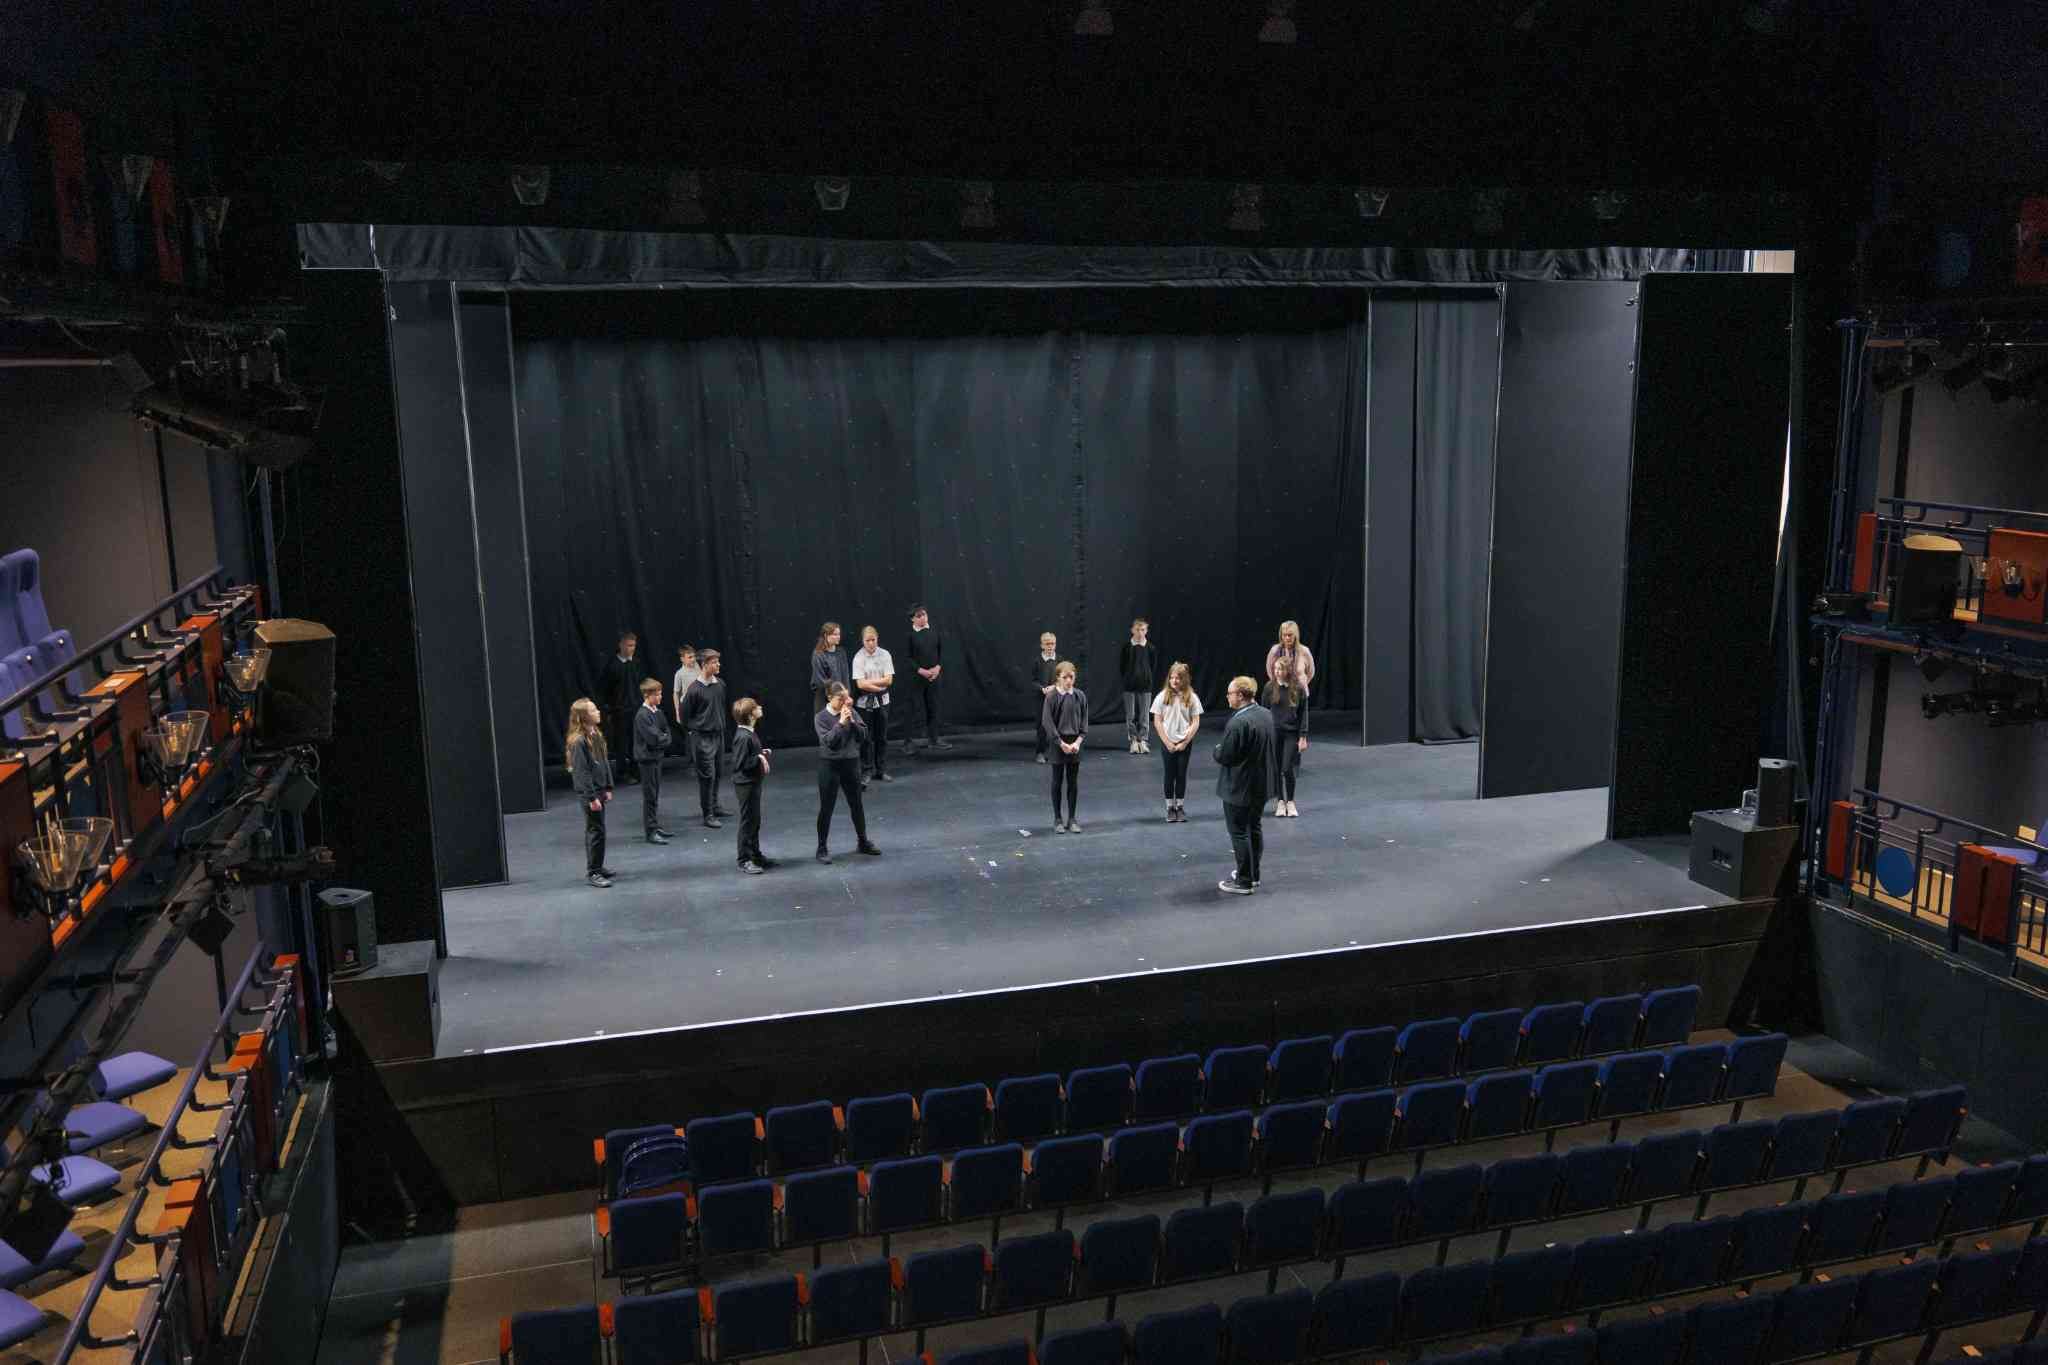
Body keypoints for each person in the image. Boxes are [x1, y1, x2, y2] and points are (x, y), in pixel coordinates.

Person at [1213, 674, 1275, 895]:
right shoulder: (1266, 714)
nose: (1227, 697)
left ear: (1240, 695)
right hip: (1261, 784)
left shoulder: (1238, 722)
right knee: (1254, 828)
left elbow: (1226, 756)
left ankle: (1243, 880)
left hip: (1240, 787)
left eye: (1229, 693)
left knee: (1239, 832)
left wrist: (1217, 750)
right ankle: (1253, 874)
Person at [815, 682, 880, 862]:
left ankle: (863, 841)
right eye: (840, 698)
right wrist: (841, 723)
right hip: (830, 766)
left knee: (856, 804)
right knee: (827, 807)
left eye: (846, 697)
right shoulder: (821, 717)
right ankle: (822, 848)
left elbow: (863, 735)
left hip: (851, 764)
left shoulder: (851, 711)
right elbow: (831, 742)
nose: (845, 701)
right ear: (829, 698)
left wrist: (851, 721)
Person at [566, 697, 616, 888]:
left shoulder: (595, 734)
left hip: (599, 790)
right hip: (590, 794)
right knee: (595, 831)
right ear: (584, 717)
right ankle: (593, 872)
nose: (598, 712)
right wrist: (591, 797)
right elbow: (582, 772)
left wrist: (608, 787)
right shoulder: (578, 741)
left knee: (600, 830)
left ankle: (598, 866)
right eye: (594, 710)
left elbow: (603, 762)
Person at [681, 648, 732, 827]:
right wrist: (696, 731)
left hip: (718, 736)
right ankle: (708, 814)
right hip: (702, 738)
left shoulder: (720, 684)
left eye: (718, 661)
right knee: (707, 776)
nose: (718, 665)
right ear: (704, 665)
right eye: (714, 662)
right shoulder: (694, 689)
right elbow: (685, 715)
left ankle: (715, 805)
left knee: (718, 772)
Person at [1150, 660, 1204, 823]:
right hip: (1168, 742)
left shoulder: (1192, 697)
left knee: (1181, 774)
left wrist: (1185, 742)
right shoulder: (1162, 697)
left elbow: (1195, 721)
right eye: (1172, 678)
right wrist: (1167, 742)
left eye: (1178, 678)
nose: (1174, 681)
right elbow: (1157, 721)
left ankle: (1179, 806)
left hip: (1183, 743)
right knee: (1169, 774)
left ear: (1184, 679)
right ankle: (1169, 807)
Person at [1042, 659, 1089, 832]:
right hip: (1058, 743)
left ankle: (1072, 818)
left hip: (1075, 743)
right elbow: (1047, 722)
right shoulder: (1052, 697)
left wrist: (1077, 742)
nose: (1069, 681)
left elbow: (1084, 722)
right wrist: (1060, 743)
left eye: (1071, 677)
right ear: (1058, 678)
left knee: (1073, 781)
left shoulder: (1079, 696)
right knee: (1057, 780)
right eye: (1065, 677)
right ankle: (1057, 819)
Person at [730, 697, 774, 874]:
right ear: (750, 715)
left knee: (754, 821)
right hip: (745, 784)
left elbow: (749, 755)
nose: (760, 708)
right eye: (756, 707)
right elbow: (739, 764)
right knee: (748, 821)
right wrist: (758, 758)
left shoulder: (749, 732)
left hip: (753, 782)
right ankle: (744, 859)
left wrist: (760, 753)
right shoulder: (743, 736)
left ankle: (755, 854)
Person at [1265, 652, 1310, 818]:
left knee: (1287, 768)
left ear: (1288, 670)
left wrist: (1303, 736)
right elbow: (1263, 712)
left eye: (1281, 669)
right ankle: (1280, 801)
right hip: (1274, 733)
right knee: (1276, 768)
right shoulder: (1270, 688)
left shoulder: (1298, 689)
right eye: (1276, 668)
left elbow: (1304, 714)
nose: (1277, 672)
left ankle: (1290, 801)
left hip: (1291, 733)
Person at [598, 630, 647, 782]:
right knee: (621, 743)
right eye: (628, 645)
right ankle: (622, 772)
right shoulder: (612, 666)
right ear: (620, 645)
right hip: (619, 710)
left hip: (635, 708)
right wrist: (609, 708)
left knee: (636, 741)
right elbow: (605, 689)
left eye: (633, 645)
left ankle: (635, 770)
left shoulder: (636, 663)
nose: (631, 648)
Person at [904, 606, 952, 753]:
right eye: (919, 616)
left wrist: (937, 668)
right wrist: (921, 671)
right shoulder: (910, 635)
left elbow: (942, 651)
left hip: (934, 676)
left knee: (934, 707)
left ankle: (934, 739)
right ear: (912, 619)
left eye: (924, 615)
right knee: (914, 709)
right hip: (917, 677)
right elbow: (907, 658)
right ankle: (908, 742)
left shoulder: (934, 631)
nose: (923, 618)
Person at [852, 625, 896, 784]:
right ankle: (866, 771)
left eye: (873, 640)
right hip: (865, 704)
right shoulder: (858, 657)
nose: (871, 643)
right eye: (867, 640)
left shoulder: (885, 655)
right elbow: (860, 685)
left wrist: (869, 682)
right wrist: (878, 683)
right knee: (865, 738)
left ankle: (881, 770)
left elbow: (889, 680)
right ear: (863, 641)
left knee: (882, 737)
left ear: (877, 638)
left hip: (882, 702)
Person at [632, 678, 673, 843]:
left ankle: (655, 825)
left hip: (656, 758)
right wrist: (662, 738)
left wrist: (663, 738)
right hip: (647, 760)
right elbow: (653, 739)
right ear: (647, 695)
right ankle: (650, 831)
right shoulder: (642, 715)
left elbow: (667, 732)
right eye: (657, 694)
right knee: (649, 796)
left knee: (655, 794)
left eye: (660, 693)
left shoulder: (658, 712)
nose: (660, 697)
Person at [1120, 618, 1158, 754]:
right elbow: (1122, 666)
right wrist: (1128, 678)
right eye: (1137, 629)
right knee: (1131, 715)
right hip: (1129, 686)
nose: (1140, 633)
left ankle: (1143, 740)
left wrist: (1146, 678)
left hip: (1145, 686)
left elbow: (1152, 666)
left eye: (1143, 630)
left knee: (1144, 715)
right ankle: (1133, 741)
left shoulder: (1151, 648)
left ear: (1146, 631)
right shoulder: (1127, 647)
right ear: (1132, 630)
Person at [1265, 620, 1316, 700]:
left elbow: (1311, 672)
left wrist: (1301, 686)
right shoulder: (1275, 650)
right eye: (1284, 635)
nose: (1287, 638)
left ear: (1296, 635)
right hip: (1279, 694)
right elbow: (1270, 671)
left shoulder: (1304, 651)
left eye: (1290, 635)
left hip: (1299, 694)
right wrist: (1279, 685)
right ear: (1281, 636)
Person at [1031, 631, 1059, 763]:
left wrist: (1054, 687)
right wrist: (1042, 689)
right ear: (1042, 645)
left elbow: (1063, 677)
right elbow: (1033, 681)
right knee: (1042, 727)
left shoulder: (1059, 660)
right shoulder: (1037, 661)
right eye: (1047, 644)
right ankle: (1040, 753)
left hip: (1057, 698)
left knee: (1056, 725)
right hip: (1042, 699)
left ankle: (1055, 752)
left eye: (1052, 643)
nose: (1050, 646)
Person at [811, 622, 849, 718]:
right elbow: (820, 680)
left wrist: (846, 695)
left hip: (841, 698)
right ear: (826, 635)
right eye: (835, 634)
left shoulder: (841, 652)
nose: (838, 637)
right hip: (825, 699)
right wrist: (834, 696)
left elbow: (845, 676)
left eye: (839, 634)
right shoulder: (818, 654)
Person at [671, 645, 701, 724]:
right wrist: (677, 713)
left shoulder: (699, 666)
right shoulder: (679, 674)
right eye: (690, 657)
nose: (693, 659)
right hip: (689, 707)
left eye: (694, 656)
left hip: (701, 705)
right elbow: (676, 693)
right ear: (682, 659)